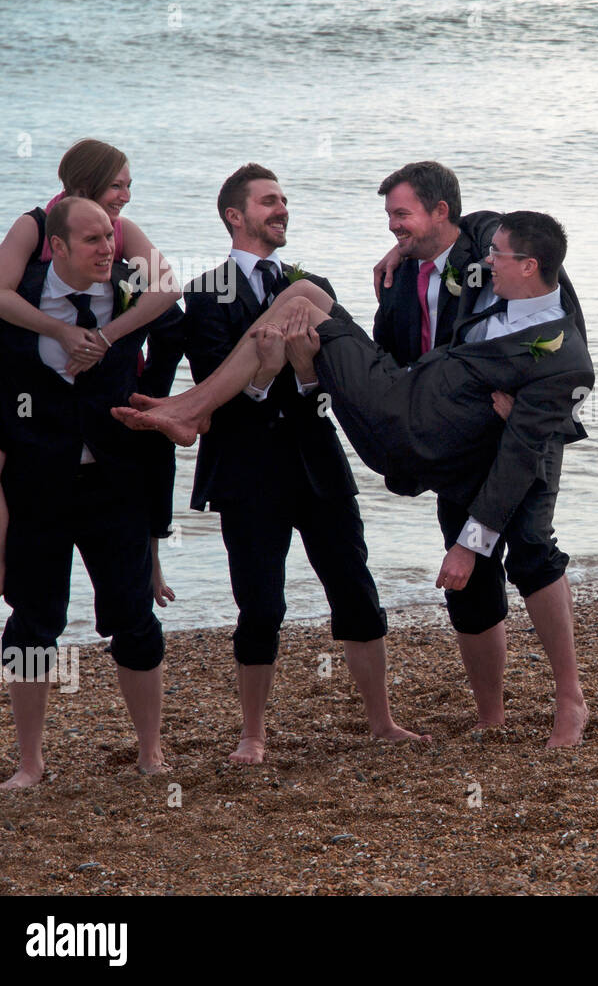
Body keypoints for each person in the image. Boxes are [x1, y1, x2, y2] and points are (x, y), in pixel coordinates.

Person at [116, 210, 595, 747]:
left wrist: (469, 543)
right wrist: (408, 245)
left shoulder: (563, 356)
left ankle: (193, 409)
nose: (484, 262)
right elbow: (469, 221)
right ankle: (193, 407)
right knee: (300, 301)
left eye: (498, 257)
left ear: (530, 266)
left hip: (405, 427)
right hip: (400, 393)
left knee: (528, 550)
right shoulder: (491, 255)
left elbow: (519, 457)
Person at [177, 164, 421, 764]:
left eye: (284, 200)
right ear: (235, 216)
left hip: (318, 464)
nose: (280, 210)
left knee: (356, 591)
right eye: (267, 202)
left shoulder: (314, 283)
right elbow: (213, 385)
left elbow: (339, 387)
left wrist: (308, 372)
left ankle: (382, 722)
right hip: (246, 471)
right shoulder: (204, 293)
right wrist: (260, 379)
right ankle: (252, 733)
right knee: (260, 605)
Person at [370, 162, 590, 746]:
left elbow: (554, 311)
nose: (392, 228)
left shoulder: (490, 242)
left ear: (442, 213)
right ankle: (490, 715)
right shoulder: (399, 280)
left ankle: (570, 699)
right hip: (462, 440)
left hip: (526, 429)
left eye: (401, 215)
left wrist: (538, 404)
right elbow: (398, 365)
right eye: (389, 217)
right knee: (465, 565)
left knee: (532, 549)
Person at [0, 197, 181, 788]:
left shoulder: (131, 294)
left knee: (134, 618)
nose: (108, 249)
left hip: (114, 483)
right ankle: (29, 763)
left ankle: (151, 751)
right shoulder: (20, 301)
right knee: (33, 621)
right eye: (92, 240)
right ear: (58, 247)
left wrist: (163, 408)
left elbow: (177, 319)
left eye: (111, 238)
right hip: (35, 485)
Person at [0, 138, 183, 620]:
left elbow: (169, 288)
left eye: (129, 186)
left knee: (147, 464)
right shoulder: (35, 226)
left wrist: (106, 338)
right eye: (117, 185)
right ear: (85, 182)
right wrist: (60, 332)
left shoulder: (122, 231)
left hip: (98, 391)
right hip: (21, 380)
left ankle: (151, 568)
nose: (126, 196)